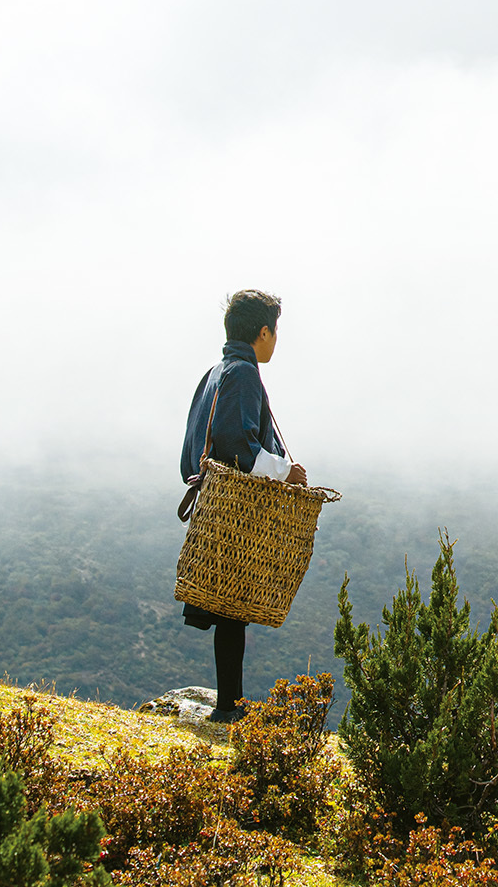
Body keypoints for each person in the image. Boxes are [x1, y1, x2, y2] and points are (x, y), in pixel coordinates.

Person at [180, 288, 306, 724]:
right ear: (264, 331)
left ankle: (229, 700)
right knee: (234, 606)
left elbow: (196, 445)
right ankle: (228, 705)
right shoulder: (244, 375)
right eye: (276, 331)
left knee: (229, 607)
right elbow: (237, 443)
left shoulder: (216, 371)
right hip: (236, 506)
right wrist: (284, 472)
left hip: (211, 502)